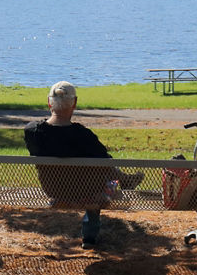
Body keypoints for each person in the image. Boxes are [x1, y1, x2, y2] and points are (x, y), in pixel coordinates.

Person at [23, 80, 141, 248]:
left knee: (101, 172)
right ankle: (90, 237)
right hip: (90, 194)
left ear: (49, 102)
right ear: (74, 103)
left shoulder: (32, 131)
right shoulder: (84, 136)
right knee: (108, 178)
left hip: (54, 191)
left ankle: (125, 180)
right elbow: (106, 162)